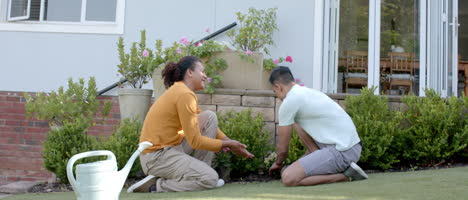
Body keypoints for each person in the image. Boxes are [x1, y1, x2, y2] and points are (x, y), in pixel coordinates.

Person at [128, 56, 254, 193]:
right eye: (202, 71)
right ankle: (157, 186)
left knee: (209, 117)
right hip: (156, 157)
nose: (205, 76)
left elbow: (201, 122)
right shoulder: (184, 94)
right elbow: (195, 141)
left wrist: (229, 142)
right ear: (190, 72)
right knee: (211, 178)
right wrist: (227, 145)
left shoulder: (181, 91)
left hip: (171, 149)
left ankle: (200, 172)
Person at [268, 66, 368, 186]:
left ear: (278, 87)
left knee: (288, 177)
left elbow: (283, 150)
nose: (277, 96)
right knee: (293, 121)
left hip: (342, 151)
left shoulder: (290, 102)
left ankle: (346, 176)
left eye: (275, 92)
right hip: (350, 147)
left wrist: (278, 163)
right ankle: (320, 160)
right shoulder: (306, 92)